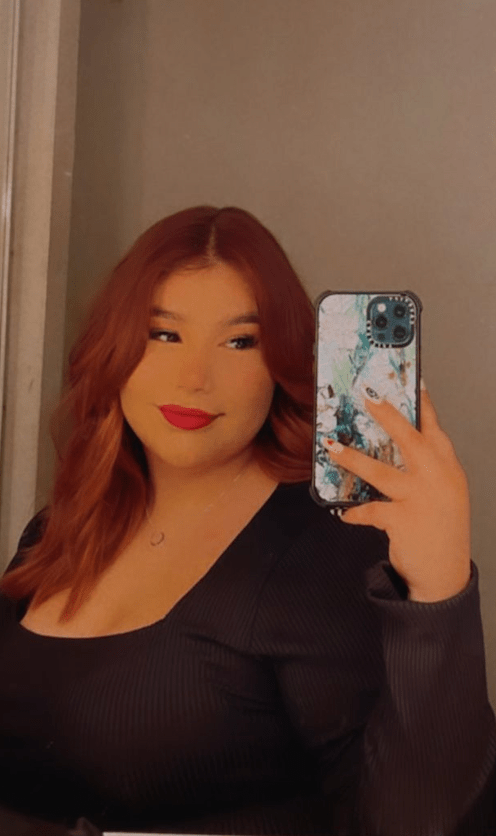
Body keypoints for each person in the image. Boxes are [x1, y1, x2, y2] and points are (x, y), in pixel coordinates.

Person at [0, 205, 494, 836]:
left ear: (282, 363)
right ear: (114, 346)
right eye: (164, 334)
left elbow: (418, 821)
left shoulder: (327, 549)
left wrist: (440, 586)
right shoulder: (58, 530)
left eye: (240, 342)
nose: (194, 378)